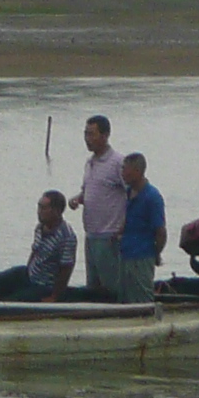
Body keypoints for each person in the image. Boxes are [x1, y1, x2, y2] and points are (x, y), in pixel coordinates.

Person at [66, 114, 127, 301]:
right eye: (85, 134)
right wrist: (77, 199)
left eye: (92, 134)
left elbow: (132, 194)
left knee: (111, 287)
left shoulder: (117, 162)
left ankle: (119, 316)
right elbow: (89, 192)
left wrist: (124, 227)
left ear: (105, 135)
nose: (87, 139)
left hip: (109, 236)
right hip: (91, 235)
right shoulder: (90, 163)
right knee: (92, 286)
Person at [0, 190, 79, 302]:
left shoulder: (66, 237)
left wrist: (54, 296)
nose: (39, 212)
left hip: (45, 285)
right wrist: (26, 275)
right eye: (39, 207)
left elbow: (66, 269)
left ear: (56, 211)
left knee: (13, 301)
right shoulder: (40, 227)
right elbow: (35, 252)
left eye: (43, 208)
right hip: (29, 275)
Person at [117, 152, 167, 304]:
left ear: (137, 172)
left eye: (125, 170)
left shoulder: (152, 197)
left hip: (142, 255)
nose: (122, 174)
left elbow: (161, 232)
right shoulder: (128, 192)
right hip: (125, 254)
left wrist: (155, 253)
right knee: (124, 297)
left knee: (142, 298)